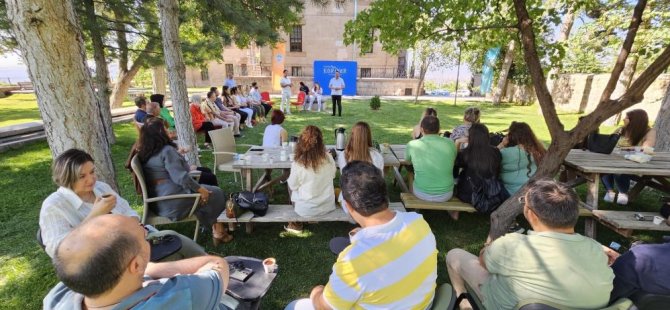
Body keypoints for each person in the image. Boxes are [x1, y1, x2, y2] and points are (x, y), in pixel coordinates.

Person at [285, 161, 438, 310]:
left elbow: (325, 306)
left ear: (348, 206)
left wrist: (317, 291)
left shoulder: (353, 262)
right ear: (384, 194)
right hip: (424, 305)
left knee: (294, 306)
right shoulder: (418, 222)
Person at [446, 179, 614, 310]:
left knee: (455, 255)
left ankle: (464, 303)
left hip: (510, 305)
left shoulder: (513, 246)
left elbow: (484, 261)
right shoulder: (597, 251)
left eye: (523, 202)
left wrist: (492, 247)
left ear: (531, 214)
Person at [39, 148, 206, 260]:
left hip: (136, 240)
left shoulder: (101, 188)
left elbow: (130, 213)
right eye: (82, 176)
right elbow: (59, 252)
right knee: (178, 257)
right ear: (66, 177)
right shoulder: (54, 206)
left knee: (175, 240)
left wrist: (135, 227)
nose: (91, 179)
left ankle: (213, 268)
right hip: (105, 260)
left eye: (92, 172)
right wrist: (95, 215)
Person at [43, 214, 231, 309]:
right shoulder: (178, 297)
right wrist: (152, 268)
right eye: (144, 235)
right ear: (135, 265)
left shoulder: (56, 299)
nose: (146, 233)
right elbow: (217, 266)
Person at [137, 117, 232, 245]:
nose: (168, 131)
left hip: (159, 202)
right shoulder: (166, 150)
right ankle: (218, 231)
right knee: (216, 193)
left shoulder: (146, 152)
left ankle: (214, 227)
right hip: (172, 202)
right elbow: (181, 177)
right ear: (159, 133)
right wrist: (201, 190)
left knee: (208, 193)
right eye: (165, 128)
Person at [286, 126, 337, 231]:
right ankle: (295, 222)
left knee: (290, 184)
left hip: (306, 210)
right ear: (320, 143)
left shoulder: (298, 163)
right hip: (327, 206)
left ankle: (295, 223)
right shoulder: (328, 157)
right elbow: (333, 175)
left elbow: (293, 186)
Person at [602, 109, 657, 205]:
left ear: (635, 120)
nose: (623, 119)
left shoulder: (649, 131)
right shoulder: (622, 129)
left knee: (619, 170)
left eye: (626, 118)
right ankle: (610, 191)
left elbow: (647, 148)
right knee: (602, 166)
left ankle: (623, 193)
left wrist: (625, 149)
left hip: (636, 161)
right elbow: (609, 142)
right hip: (616, 159)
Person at [454, 124, 502, 218]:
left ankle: (454, 212)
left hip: (469, 194)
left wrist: (458, 143)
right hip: (491, 192)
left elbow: (455, 163)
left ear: (471, 138)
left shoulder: (466, 153)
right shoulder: (495, 152)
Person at [405, 115, 457, 202]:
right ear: (440, 129)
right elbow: (453, 159)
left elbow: (407, 161)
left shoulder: (412, 144)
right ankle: (452, 211)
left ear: (421, 129)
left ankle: (413, 202)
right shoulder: (451, 143)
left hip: (421, 193)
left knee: (410, 172)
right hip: (446, 194)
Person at [497, 121, 546, 195]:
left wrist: (501, 145)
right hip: (534, 191)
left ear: (511, 136)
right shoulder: (537, 149)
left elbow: (488, 158)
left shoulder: (505, 153)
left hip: (510, 194)